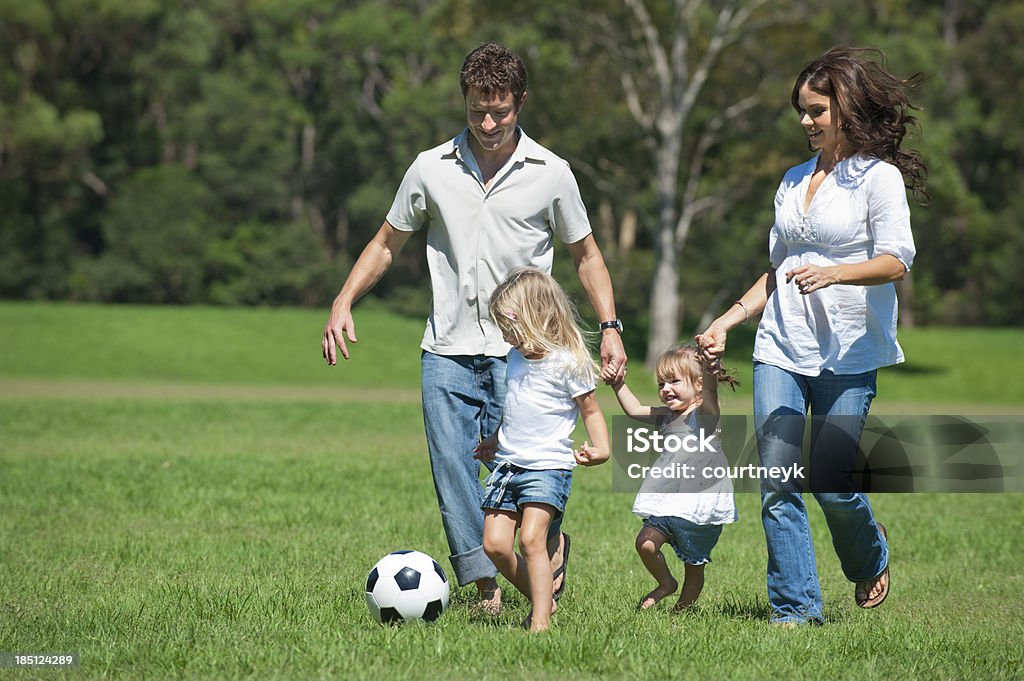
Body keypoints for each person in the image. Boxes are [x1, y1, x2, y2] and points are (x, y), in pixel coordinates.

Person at [321, 42, 627, 614]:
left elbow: (587, 256)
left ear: (521, 102)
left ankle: (546, 546)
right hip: (447, 347)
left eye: (501, 111)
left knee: (526, 463)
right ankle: (488, 590)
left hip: (528, 353)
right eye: (477, 110)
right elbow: (387, 242)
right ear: (464, 101)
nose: (488, 123)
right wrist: (344, 299)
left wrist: (609, 327)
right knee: (456, 471)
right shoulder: (430, 168)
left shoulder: (552, 173)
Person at [696, 46, 927, 626]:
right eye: (801, 110)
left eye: (816, 109)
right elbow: (777, 271)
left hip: (850, 351)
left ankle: (869, 549)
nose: (805, 120)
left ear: (846, 108)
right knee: (777, 482)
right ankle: (796, 610)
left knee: (830, 481)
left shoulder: (878, 179)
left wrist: (835, 272)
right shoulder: (792, 181)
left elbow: (898, 259)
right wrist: (728, 320)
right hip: (780, 347)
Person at [472, 268, 610, 632]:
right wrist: (496, 439)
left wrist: (602, 447)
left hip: (548, 467)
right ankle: (543, 597)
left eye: (508, 325)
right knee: (495, 545)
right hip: (508, 466)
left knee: (532, 539)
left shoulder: (568, 361)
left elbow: (591, 410)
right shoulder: (515, 358)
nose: (504, 334)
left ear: (534, 316)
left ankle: (540, 624)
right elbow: (517, 407)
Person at [610, 344, 738, 612]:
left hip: (699, 505)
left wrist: (710, 370)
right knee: (645, 543)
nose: (666, 389)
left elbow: (712, 392)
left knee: (694, 564)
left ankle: (683, 610)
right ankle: (666, 583)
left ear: (699, 385)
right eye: (661, 383)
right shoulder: (667, 416)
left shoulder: (705, 417)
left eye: (674, 381)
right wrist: (618, 384)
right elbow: (634, 410)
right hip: (668, 500)